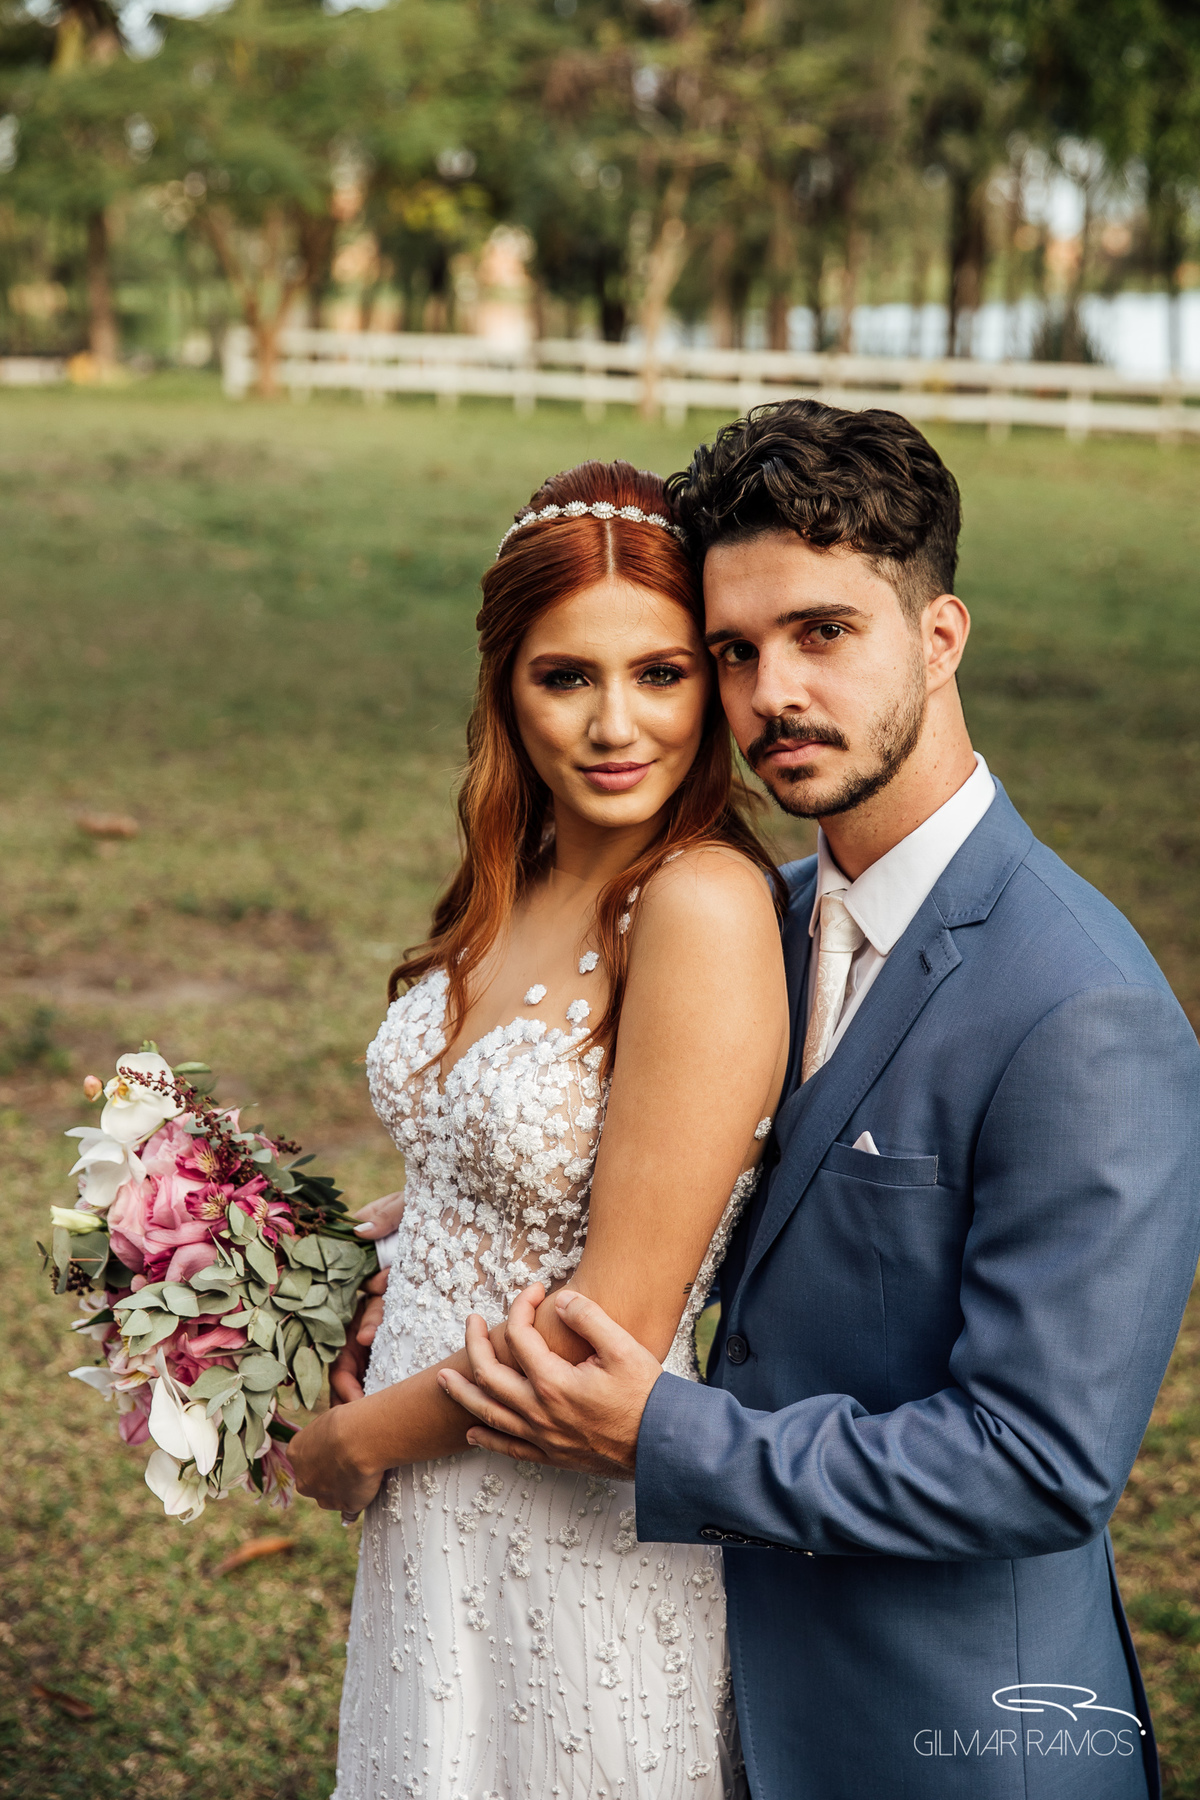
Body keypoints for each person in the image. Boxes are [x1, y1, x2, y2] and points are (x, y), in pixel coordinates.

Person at [439, 401, 1200, 1799]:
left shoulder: (1083, 1012)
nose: (772, 693)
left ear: (942, 635)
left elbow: (1037, 1463)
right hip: (714, 1687)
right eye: (734, 650)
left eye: (824, 633)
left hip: (953, 1737)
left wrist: (662, 1437)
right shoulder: (764, 925)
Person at [289, 459, 792, 1799]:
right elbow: (477, 1170)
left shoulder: (697, 906)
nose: (617, 724)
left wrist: (353, 1445)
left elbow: (604, 1322)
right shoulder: (522, 874)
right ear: (507, 688)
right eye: (567, 677)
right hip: (439, 1505)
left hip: (571, 1509)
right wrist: (355, 1272)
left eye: (664, 674)